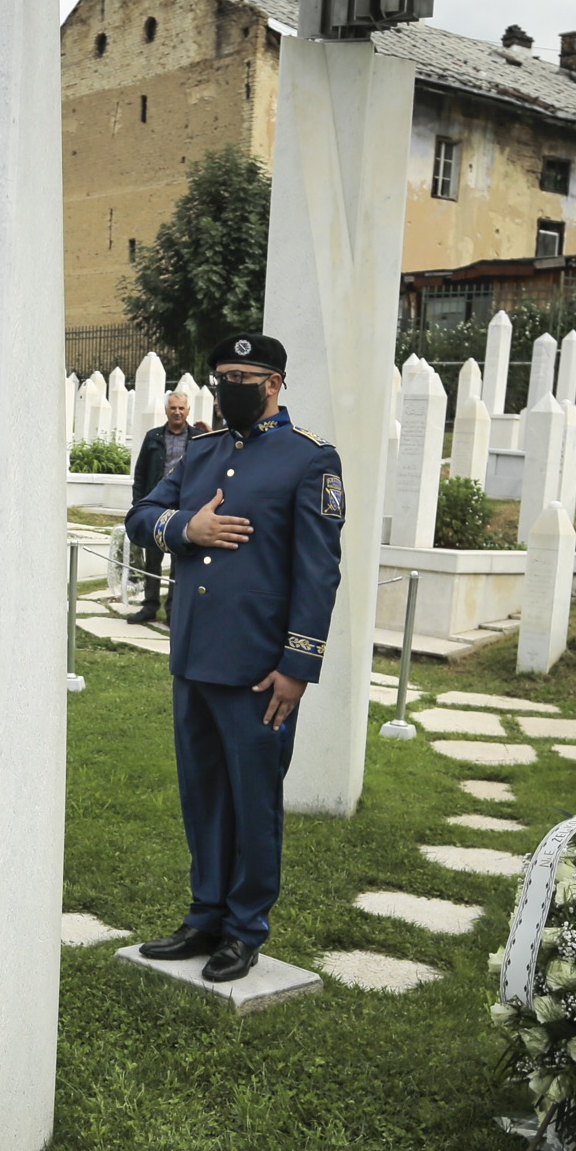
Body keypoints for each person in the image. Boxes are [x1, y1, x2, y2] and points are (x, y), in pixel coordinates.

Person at [122, 332, 343, 985]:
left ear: (272, 384)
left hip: (257, 668)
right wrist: (184, 528)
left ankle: (244, 928)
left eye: (240, 379)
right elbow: (141, 515)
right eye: (220, 378)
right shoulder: (200, 452)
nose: (226, 390)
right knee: (203, 795)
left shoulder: (308, 460)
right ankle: (203, 914)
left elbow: (318, 572)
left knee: (252, 800)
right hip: (194, 657)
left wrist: (297, 667)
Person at [127, 389, 196, 623]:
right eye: (173, 408)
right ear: (166, 410)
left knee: (179, 564)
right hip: (155, 507)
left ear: (188, 410)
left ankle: (172, 612)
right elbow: (140, 473)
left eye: (181, 408)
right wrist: (138, 504)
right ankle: (149, 607)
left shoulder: (197, 439)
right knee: (152, 561)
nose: (177, 412)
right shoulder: (153, 437)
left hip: (184, 508)